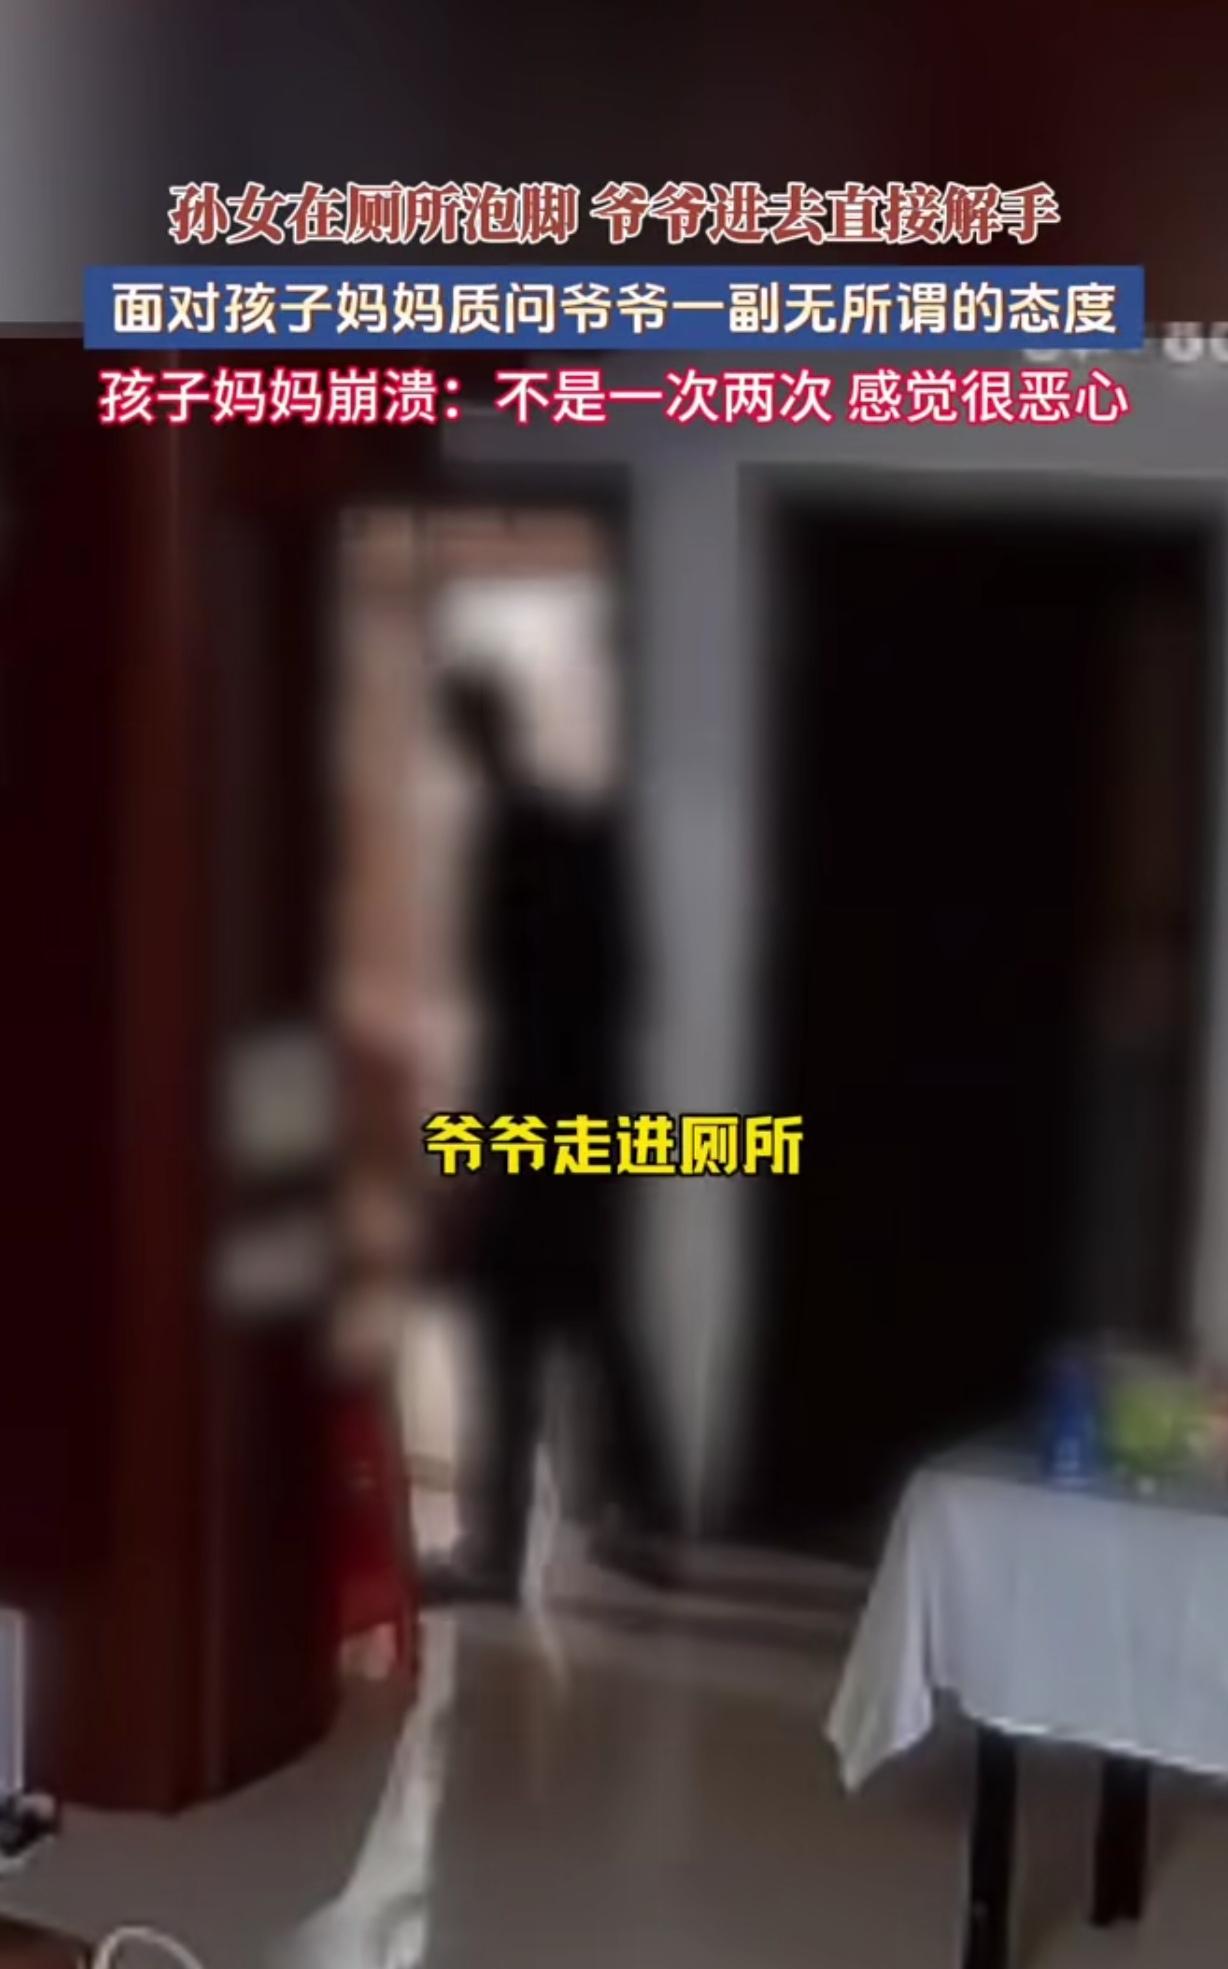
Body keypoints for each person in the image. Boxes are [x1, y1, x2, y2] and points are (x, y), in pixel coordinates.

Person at [423, 667, 673, 1603]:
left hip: (536, 1129)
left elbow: (514, 1018)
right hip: (601, 1126)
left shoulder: (515, 840)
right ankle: (637, 1521)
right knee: (600, 1330)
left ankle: (498, 1552)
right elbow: (624, 990)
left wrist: (477, 1151)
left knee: (513, 1343)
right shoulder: (586, 839)